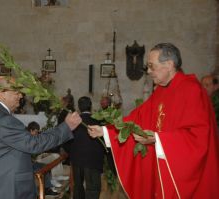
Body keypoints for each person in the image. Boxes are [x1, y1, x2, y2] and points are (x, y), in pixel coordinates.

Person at [88, 43, 219, 198]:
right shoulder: (162, 91)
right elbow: (137, 119)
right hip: (161, 172)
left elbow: (199, 136)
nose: (149, 71)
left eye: (152, 66)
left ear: (169, 65)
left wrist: (158, 139)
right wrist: (104, 131)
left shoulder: (192, 90)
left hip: (184, 178)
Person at [0, 76, 82, 199]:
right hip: (8, 189)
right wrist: (66, 127)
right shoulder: (4, 120)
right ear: (2, 93)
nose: (21, 96)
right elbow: (35, 144)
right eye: (16, 91)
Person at [70, 96, 105, 199]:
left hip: (76, 160)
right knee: (93, 189)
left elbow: (66, 141)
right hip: (93, 160)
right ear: (90, 106)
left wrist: (72, 153)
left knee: (78, 188)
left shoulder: (73, 122)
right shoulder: (98, 121)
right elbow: (104, 140)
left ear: (79, 107)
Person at [26, 121, 59, 196]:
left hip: (30, 162)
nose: (37, 134)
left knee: (45, 166)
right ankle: (38, 193)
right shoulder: (26, 139)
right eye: (36, 132)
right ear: (31, 130)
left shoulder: (31, 138)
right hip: (26, 165)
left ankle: (47, 188)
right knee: (41, 168)